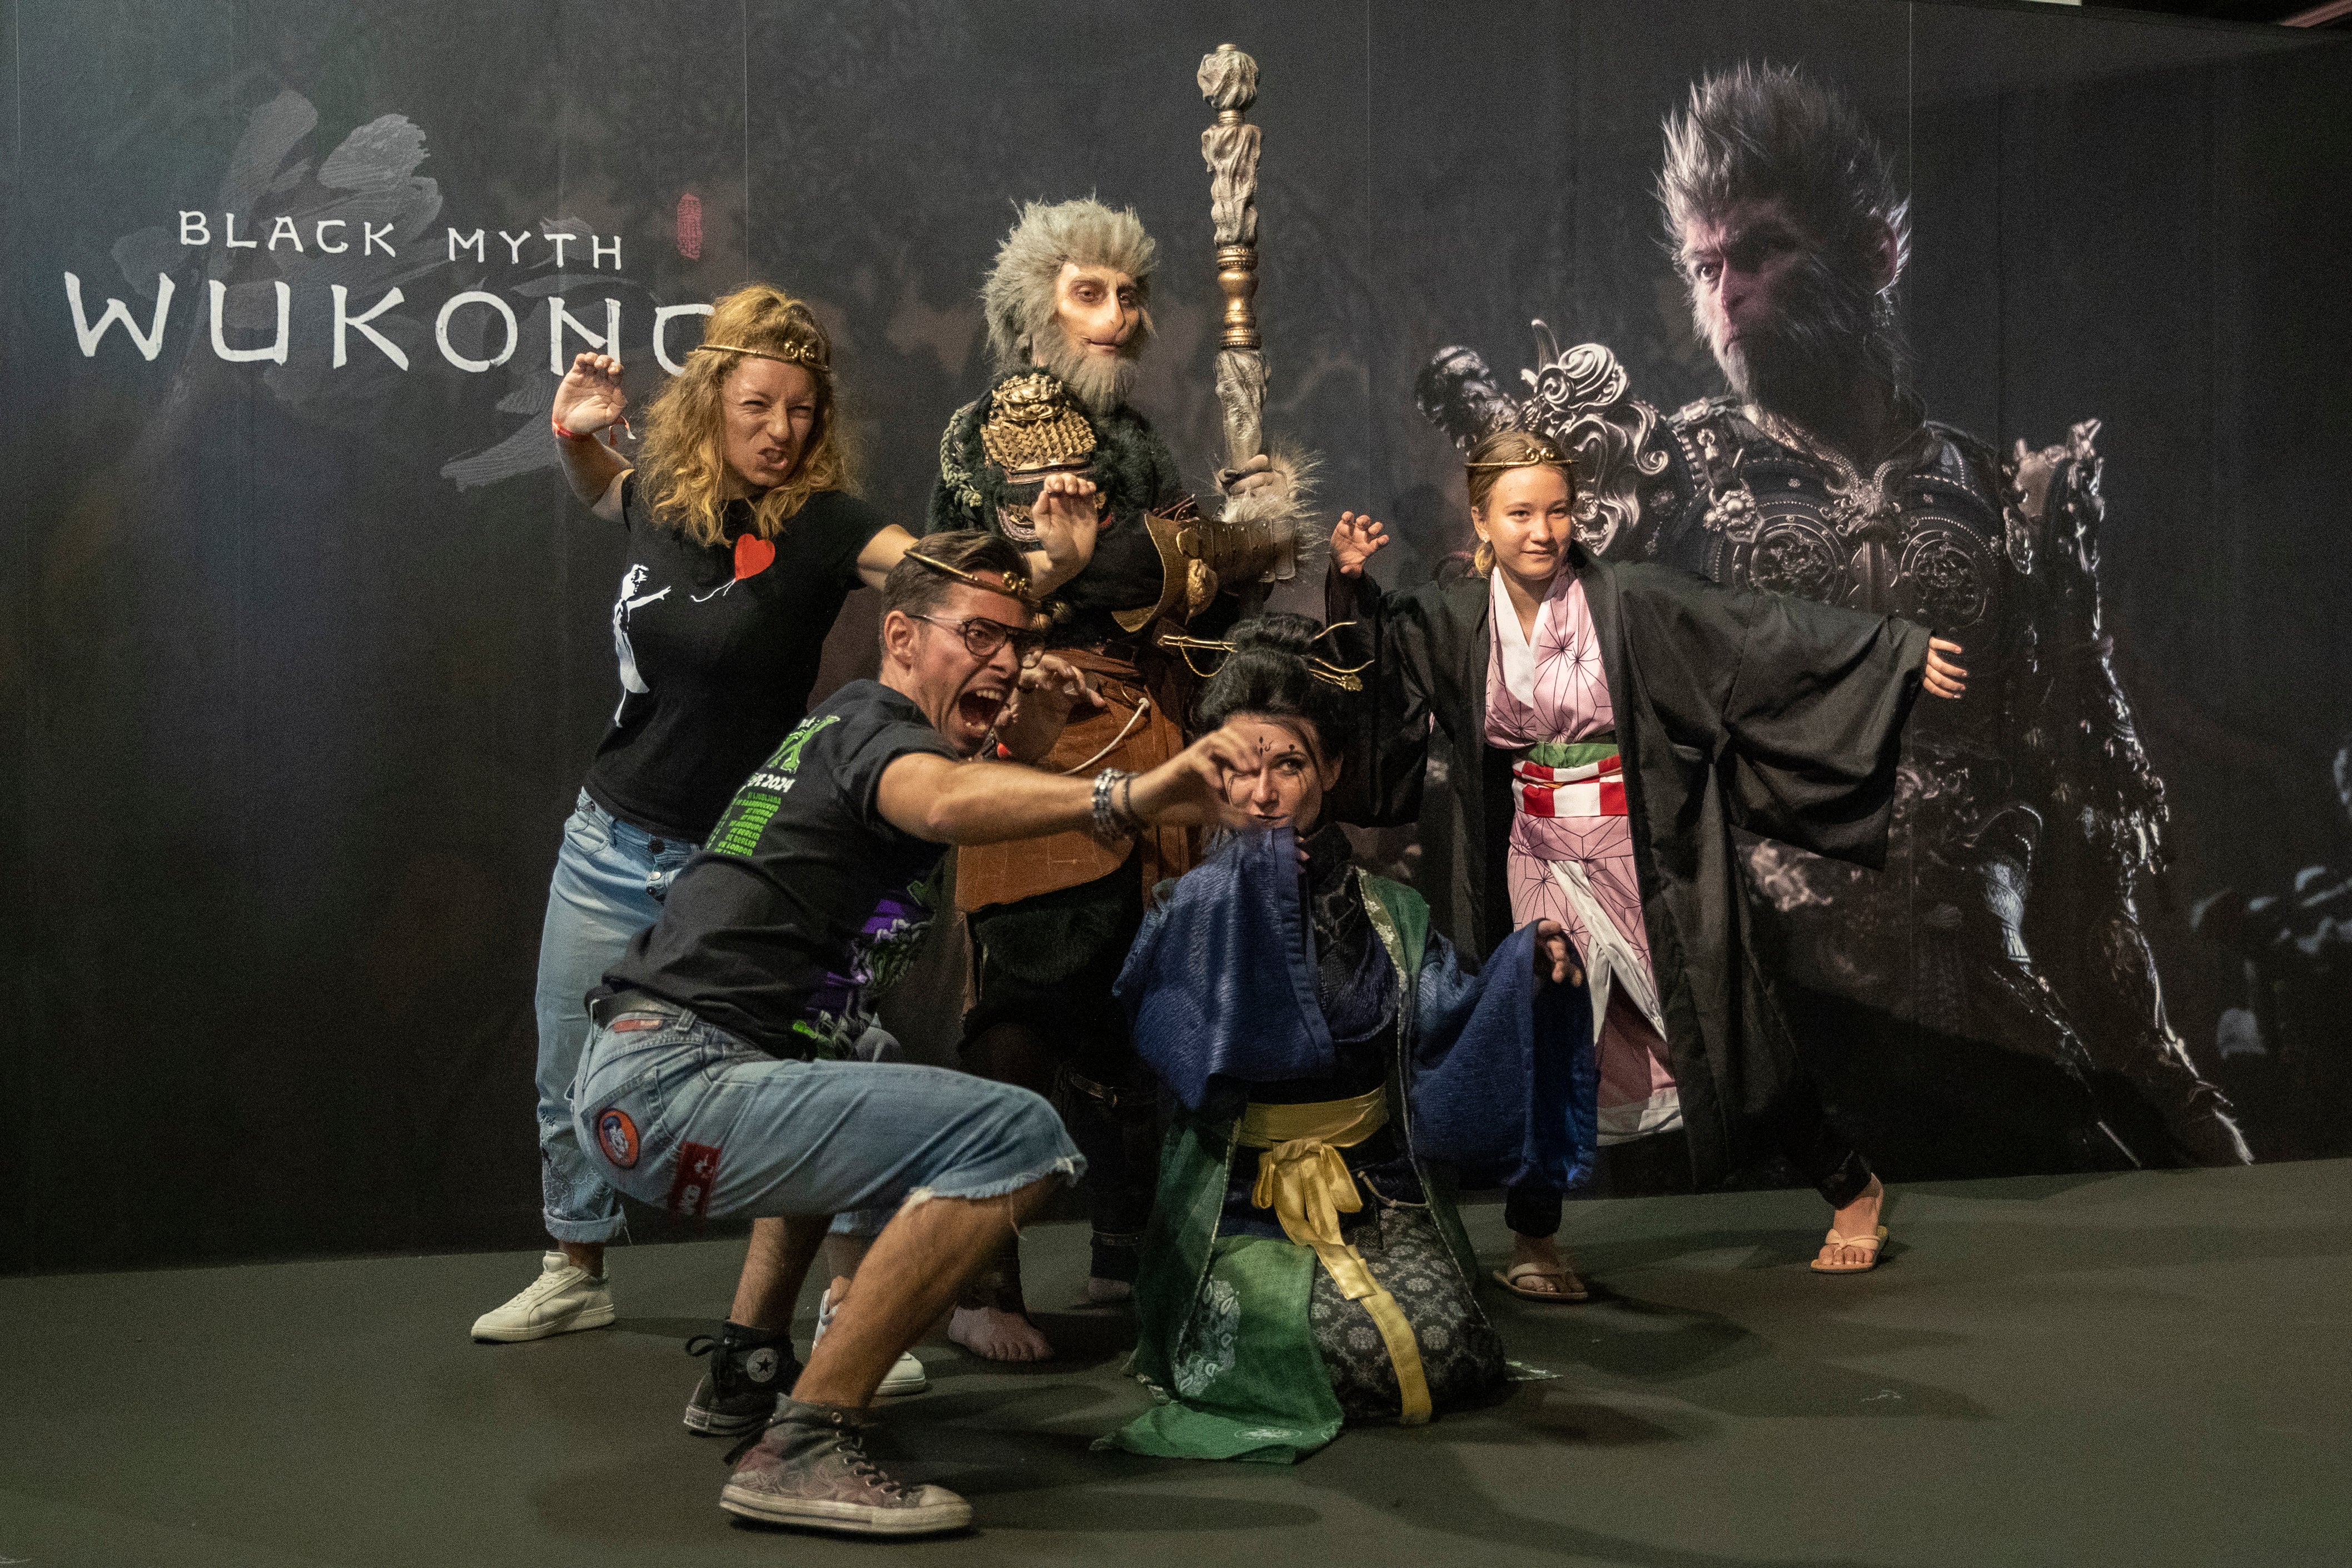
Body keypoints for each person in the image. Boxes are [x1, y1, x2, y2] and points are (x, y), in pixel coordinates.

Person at [1415, 63, 2248, 1177]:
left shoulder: (2003, 496)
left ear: (1874, 251)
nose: (1728, 295)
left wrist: (2164, 1081)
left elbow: (2080, 836)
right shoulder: (1661, 488)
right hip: (1775, 1033)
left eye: (1760, 253)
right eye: (1707, 266)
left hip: (1989, 1025)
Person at [572, 531, 1255, 1535]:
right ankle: (805, 1441)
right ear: (899, 634)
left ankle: (747, 1370)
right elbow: (937, 798)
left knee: (848, 1051)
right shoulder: (877, 731)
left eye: (1017, 642)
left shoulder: (851, 733)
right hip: (679, 1092)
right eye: (978, 635)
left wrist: (1027, 734)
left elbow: (939, 790)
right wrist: (1129, 793)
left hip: (662, 1079)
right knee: (1014, 1135)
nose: (1005, 660)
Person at [471, 285, 1092, 1348]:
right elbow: (601, 489)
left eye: (803, 411)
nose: (781, 431)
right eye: (759, 406)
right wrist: (571, 432)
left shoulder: (826, 525)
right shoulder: (666, 493)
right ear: (713, 398)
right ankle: (575, 1264)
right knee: (567, 1065)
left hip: (750, 863)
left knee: (833, 1072)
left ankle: (849, 1319)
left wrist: (1052, 564)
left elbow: (948, 582)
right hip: (609, 841)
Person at [1329, 429, 1965, 1285]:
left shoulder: (1629, 598)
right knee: (1542, 1036)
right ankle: (1535, 1237)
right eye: (1519, 513)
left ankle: (1851, 1186)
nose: (1543, 531)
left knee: (1719, 1025)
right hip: (1534, 856)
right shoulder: (1451, 618)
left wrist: (1894, 652)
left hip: (1640, 850)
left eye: (1558, 510)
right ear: (1481, 519)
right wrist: (1350, 587)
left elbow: (1754, 632)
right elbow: (1373, 675)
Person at [925, 197, 1304, 1356]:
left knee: (1153, 1001)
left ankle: (1129, 1249)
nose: (1118, 314)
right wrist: (1129, 564)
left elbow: (1191, 582)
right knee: (1023, 1004)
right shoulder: (989, 427)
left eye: (1129, 294)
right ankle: (981, 1278)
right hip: (1035, 725)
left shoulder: (1136, 439)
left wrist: (1253, 532)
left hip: (1153, 726)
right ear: (1034, 307)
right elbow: (978, 578)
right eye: (1090, 291)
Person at [1108, 615, 1590, 1464]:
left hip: (1376, 1187)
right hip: (1238, 1204)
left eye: (1288, 765)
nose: (1264, 794)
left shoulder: (1388, 912)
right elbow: (1180, 1052)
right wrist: (1239, 905)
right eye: (1237, 769)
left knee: (1449, 1354)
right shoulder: (1187, 906)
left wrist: (1527, 963)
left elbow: (1446, 1019)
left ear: (1329, 769)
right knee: (1334, 1352)